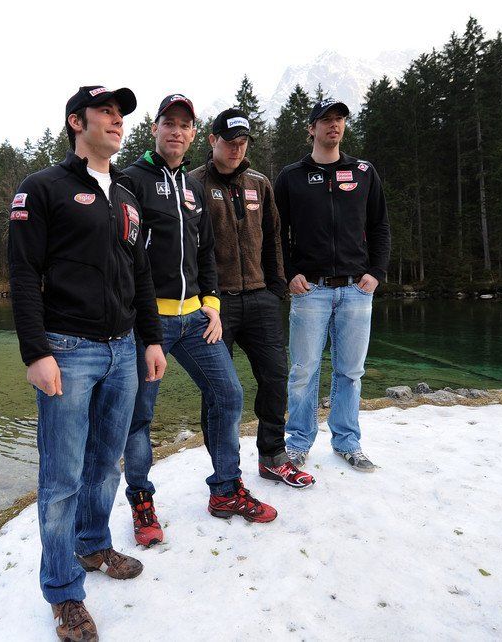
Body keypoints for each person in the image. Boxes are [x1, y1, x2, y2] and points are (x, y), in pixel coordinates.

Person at [8, 85, 168, 641]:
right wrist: (36, 351)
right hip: (68, 351)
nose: (117, 120)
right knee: (61, 477)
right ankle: (63, 591)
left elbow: (140, 274)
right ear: (77, 122)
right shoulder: (42, 188)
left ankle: (94, 546)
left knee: (105, 464)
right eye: (106, 111)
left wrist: (151, 340)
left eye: (121, 113)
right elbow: (23, 274)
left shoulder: (125, 193)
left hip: (123, 349)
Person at [121, 94, 276, 549]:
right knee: (139, 416)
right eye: (168, 123)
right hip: (148, 324)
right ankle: (141, 501)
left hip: (194, 320)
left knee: (228, 393)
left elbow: (206, 251)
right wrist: (139, 318)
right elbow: (123, 256)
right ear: (154, 128)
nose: (176, 131)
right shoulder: (130, 180)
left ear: (193, 134)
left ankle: (225, 489)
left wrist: (212, 303)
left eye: (184, 125)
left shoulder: (191, 188)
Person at [191, 108, 315, 489]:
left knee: (275, 377)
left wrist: (276, 288)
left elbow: (274, 237)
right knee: (219, 390)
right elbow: (187, 246)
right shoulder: (193, 184)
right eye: (230, 142)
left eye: (243, 142)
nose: (236, 149)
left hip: (261, 298)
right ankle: (224, 470)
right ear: (212, 140)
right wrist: (200, 298)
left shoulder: (259, 183)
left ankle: (273, 456)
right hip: (216, 305)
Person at [274, 98, 391, 472]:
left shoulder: (363, 172)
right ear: (311, 129)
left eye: (339, 118)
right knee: (303, 371)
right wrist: (290, 273)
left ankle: (347, 441)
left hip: (357, 289)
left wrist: (377, 272)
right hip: (311, 289)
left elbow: (380, 226)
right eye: (325, 119)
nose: (334, 124)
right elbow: (275, 233)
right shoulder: (291, 177)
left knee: (351, 371)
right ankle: (298, 443)